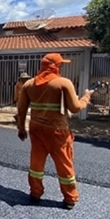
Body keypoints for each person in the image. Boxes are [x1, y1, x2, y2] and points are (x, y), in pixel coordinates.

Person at [16, 53, 93, 210]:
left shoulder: (29, 84)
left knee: (36, 161)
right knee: (64, 163)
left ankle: (35, 192)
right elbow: (75, 108)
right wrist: (86, 97)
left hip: (36, 129)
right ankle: (70, 198)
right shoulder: (63, 83)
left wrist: (21, 128)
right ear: (55, 66)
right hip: (57, 131)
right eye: (60, 65)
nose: (62, 67)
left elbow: (21, 109)